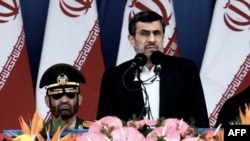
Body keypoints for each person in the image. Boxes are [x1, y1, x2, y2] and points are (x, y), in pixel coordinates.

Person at [97, 10, 210, 128]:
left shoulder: (185, 71)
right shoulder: (115, 77)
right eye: (144, 33)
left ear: (163, 37)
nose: (152, 39)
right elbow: (104, 128)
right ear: (132, 39)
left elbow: (200, 123)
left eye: (156, 33)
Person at [39, 63, 92, 129]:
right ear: (47, 101)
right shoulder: (37, 134)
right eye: (57, 95)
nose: (64, 100)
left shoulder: (92, 132)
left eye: (70, 94)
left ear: (79, 99)